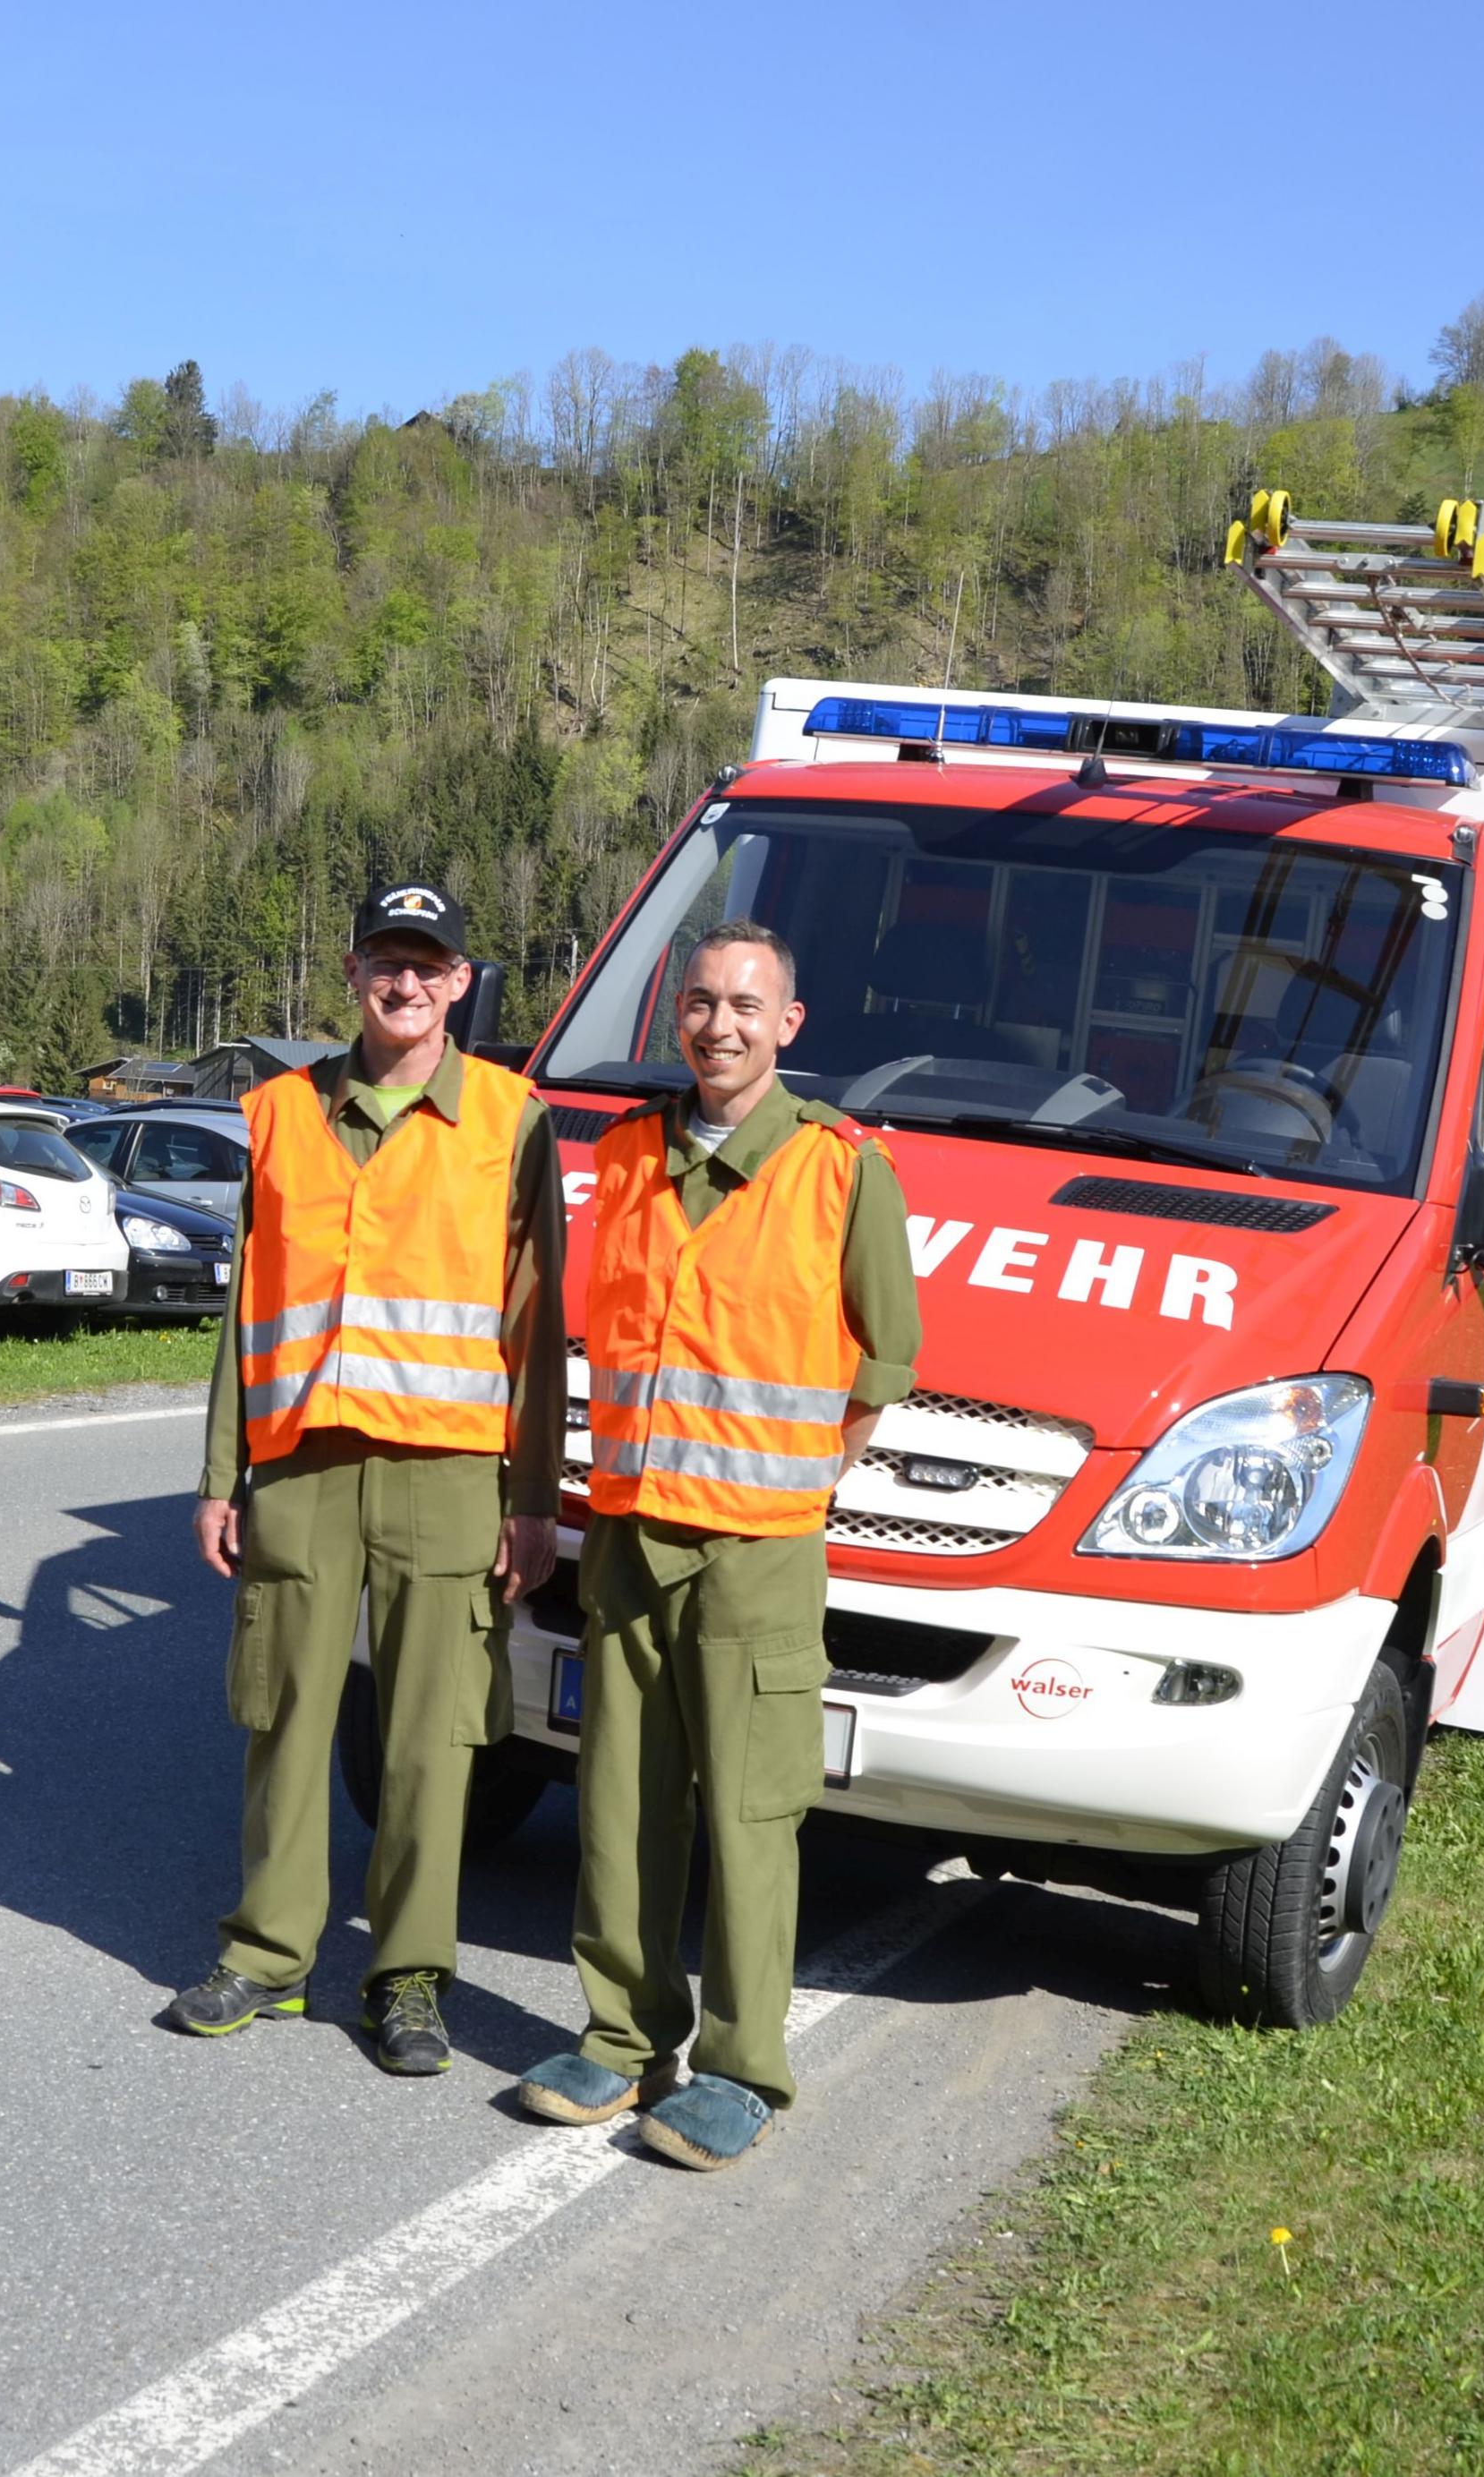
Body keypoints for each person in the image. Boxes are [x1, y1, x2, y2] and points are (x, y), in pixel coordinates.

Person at [507, 921, 920, 2171]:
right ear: (674, 1016)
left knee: (749, 1815)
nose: (718, 1025)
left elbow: (883, 1361)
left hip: (757, 1554)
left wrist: (803, 1482)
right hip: (631, 1540)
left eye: (745, 1005)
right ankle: (624, 2041)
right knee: (622, 1805)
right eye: (699, 1002)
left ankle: (743, 2069)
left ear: (787, 1024)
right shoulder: (628, 1153)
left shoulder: (843, 1170)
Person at [169, 883, 563, 2076]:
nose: (405, 983)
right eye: (386, 961)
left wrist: (532, 1499)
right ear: (352, 973)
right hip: (302, 1463)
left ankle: (408, 1978)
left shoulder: (513, 1119)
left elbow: (539, 1324)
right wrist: (223, 1472)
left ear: (459, 983)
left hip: (446, 1471)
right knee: (286, 1714)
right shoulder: (280, 1113)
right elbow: (246, 1310)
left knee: (429, 1739)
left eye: (427, 965)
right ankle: (270, 1954)